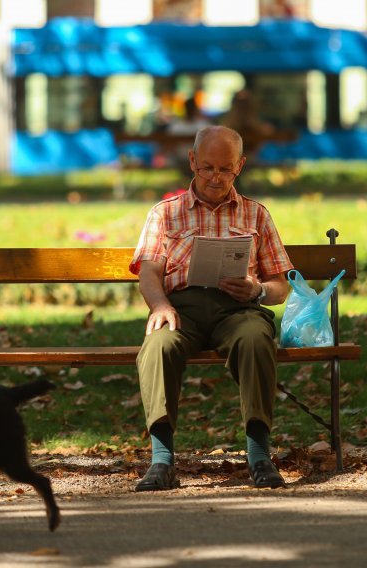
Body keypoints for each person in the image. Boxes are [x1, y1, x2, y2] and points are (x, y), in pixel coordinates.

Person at [129, 125, 293, 491]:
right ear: (192, 161)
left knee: (255, 338)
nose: (216, 178)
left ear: (241, 166)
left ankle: (259, 455)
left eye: (225, 169)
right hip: (180, 307)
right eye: (207, 168)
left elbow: (281, 286)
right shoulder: (165, 213)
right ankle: (162, 461)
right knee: (158, 345)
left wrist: (256, 289)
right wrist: (158, 305)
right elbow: (149, 272)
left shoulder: (256, 215)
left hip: (238, 310)